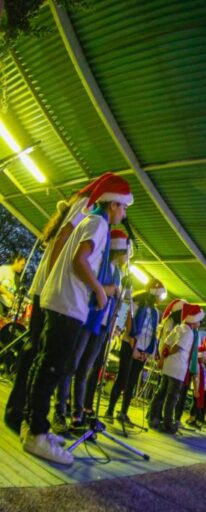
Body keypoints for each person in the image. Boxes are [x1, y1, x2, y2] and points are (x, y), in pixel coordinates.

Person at [23, 175, 132, 464]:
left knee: (47, 365)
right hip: (67, 304)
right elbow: (79, 261)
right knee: (53, 367)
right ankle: (36, 434)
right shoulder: (97, 224)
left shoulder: (93, 222)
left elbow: (81, 262)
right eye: (123, 207)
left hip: (64, 301)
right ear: (112, 204)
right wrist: (99, 290)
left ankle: (33, 426)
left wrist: (101, 288)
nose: (125, 213)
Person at [4, 174, 114, 433]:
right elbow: (64, 237)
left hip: (46, 286)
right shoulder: (86, 206)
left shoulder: (80, 205)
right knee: (40, 355)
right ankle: (21, 413)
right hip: (48, 288)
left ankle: (22, 412)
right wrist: (57, 282)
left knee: (36, 352)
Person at [56, 228, 130, 431]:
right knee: (72, 364)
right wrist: (106, 290)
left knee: (85, 369)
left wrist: (118, 322)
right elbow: (89, 285)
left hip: (103, 326)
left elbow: (121, 305)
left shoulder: (120, 273)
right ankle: (60, 409)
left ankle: (79, 412)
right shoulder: (102, 264)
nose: (127, 256)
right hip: (89, 319)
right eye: (126, 252)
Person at [105, 278, 164, 426]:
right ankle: (110, 411)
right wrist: (134, 348)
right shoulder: (136, 304)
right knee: (123, 379)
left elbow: (152, 333)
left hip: (143, 351)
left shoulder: (156, 312)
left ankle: (123, 412)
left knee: (132, 383)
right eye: (160, 294)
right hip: (130, 346)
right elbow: (129, 325)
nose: (160, 298)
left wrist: (148, 352)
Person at [148, 303, 204, 434]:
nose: (199, 323)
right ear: (193, 320)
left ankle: (153, 416)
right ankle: (167, 423)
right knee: (172, 397)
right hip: (178, 367)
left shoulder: (179, 327)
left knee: (161, 392)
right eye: (198, 320)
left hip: (169, 366)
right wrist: (168, 354)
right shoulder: (189, 332)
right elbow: (177, 347)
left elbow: (166, 343)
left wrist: (163, 358)